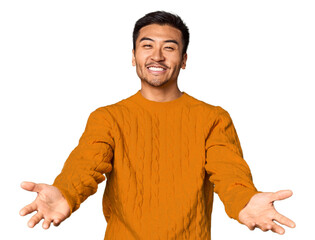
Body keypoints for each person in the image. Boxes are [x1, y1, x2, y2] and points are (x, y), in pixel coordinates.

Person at [20, 11, 296, 239]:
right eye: (147, 45)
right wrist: (65, 193)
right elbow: (85, 165)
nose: (157, 56)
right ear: (134, 56)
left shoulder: (213, 118)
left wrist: (245, 201)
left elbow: (228, 172)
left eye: (170, 47)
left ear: (184, 60)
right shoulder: (108, 118)